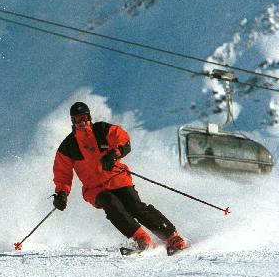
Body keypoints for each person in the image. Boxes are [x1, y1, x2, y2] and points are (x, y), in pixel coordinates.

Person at [52, 102, 187, 253]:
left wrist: (114, 154)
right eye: (77, 120)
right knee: (111, 204)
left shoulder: (102, 130)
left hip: (117, 178)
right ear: (72, 121)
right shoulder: (69, 146)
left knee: (135, 206)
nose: (81, 123)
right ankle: (142, 238)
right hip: (94, 189)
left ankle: (172, 236)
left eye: (83, 118)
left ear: (89, 117)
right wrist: (62, 193)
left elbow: (123, 139)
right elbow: (62, 173)